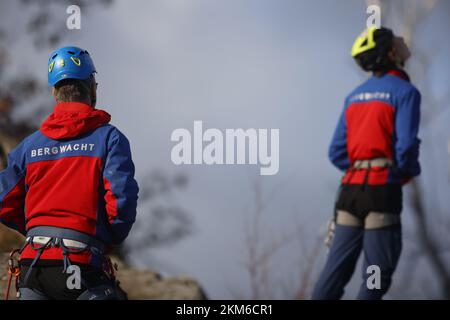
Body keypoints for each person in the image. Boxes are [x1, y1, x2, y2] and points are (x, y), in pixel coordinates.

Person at [0, 46, 139, 300]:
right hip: (85, 267)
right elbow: (121, 204)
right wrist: (103, 236)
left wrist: (39, 226)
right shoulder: (110, 139)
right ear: (93, 88)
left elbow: (3, 200)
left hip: (34, 269)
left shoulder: (30, 146)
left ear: (55, 93)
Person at [312, 27, 421, 300]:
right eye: (397, 39)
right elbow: (406, 146)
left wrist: (361, 168)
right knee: (375, 274)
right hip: (381, 191)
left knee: (334, 272)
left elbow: (336, 151)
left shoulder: (353, 97)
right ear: (391, 53)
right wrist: (401, 172)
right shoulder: (406, 92)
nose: (402, 41)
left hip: (350, 194)